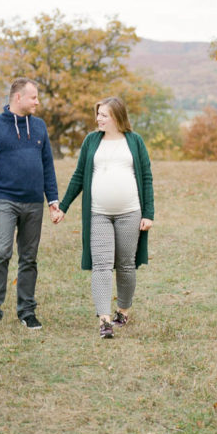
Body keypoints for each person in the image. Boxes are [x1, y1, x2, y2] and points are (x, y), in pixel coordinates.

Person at [54, 96, 154, 338]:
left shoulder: (134, 141)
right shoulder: (91, 141)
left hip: (130, 212)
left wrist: (149, 214)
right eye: (98, 114)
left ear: (117, 117)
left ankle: (123, 311)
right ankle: (104, 320)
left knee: (126, 265)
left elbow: (146, 177)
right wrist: (63, 206)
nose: (98, 118)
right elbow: (79, 176)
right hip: (98, 214)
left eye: (104, 115)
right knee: (101, 265)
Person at [0, 77, 60, 332]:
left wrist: (53, 200)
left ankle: (27, 312)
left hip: (34, 202)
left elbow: (47, 165)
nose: (37, 101)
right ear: (18, 98)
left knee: (29, 258)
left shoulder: (39, 127)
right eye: (33, 97)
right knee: (1, 252)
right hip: (5, 201)